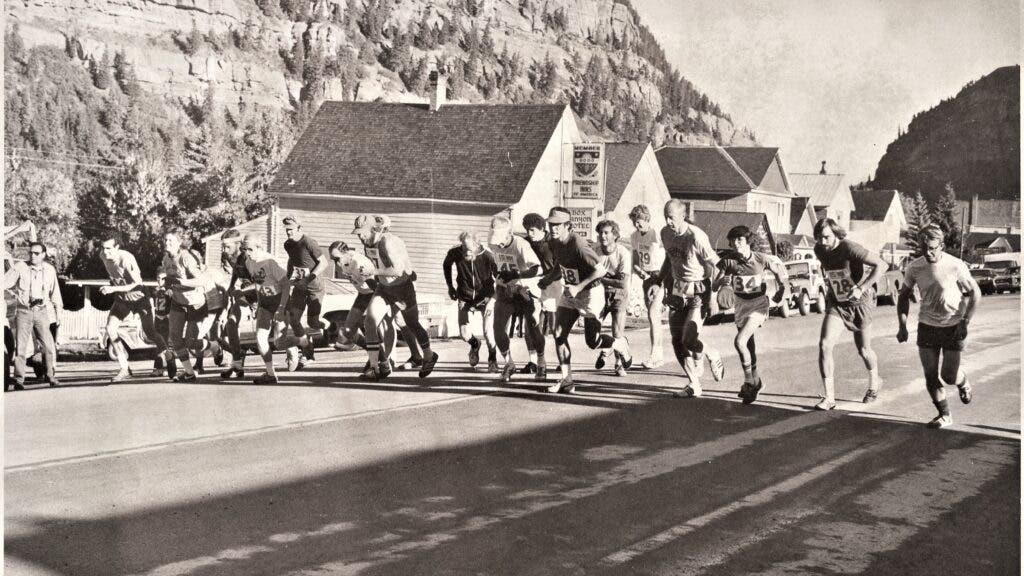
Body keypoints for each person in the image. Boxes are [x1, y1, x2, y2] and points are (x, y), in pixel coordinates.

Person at [897, 225, 981, 428]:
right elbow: (903, 297)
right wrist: (902, 326)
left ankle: (962, 381)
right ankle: (945, 415)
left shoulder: (955, 265)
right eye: (924, 248)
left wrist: (965, 322)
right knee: (930, 375)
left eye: (932, 248)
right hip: (927, 325)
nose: (928, 253)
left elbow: (975, 293)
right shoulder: (914, 267)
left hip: (953, 325)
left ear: (941, 246)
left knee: (948, 376)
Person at [541, 207, 630, 394]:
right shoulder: (554, 241)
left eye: (558, 225)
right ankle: (566, 380)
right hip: (571, 294)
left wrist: (578, 287)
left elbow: (600, 271)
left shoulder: (578, 244)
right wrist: (549, 278)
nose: (553, 228)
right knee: (559, 334)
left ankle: (619, 344)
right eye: (551, 224)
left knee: (593, 342)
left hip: (590, 294)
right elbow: (560, 264)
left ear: (568, 226)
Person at [651, 199, 725, 398]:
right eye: (665, 217)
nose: (668, 222)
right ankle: (694, 384)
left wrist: (714, 296)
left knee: (689, 338)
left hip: (699, 289)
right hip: (678, 290)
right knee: (677, 340)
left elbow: (718, 266)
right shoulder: (665, 233)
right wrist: (658, 280)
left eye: (671, 217)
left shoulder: (696, 236)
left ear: (683, 216)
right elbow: (669, 258)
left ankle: (711, 353)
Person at [812, 218, 887, 410]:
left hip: (859, 303)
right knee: (825, 345)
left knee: (864, 350)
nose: (822, 242)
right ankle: (829, 398)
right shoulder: (819, 250)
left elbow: (882, 265)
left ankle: (874, 383)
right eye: (819, 237)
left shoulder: (850, 248)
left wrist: (861, 288)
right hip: (838, 304)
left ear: (836, 234)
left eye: (826, 237)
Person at [354, 214, 439, 380]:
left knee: (411, 323)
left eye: (363, 232)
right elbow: (376, 268)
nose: (360, 237)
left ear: (373, 229)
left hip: (402, 289)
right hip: (384, 289)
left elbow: (398, 270)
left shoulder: (387, 242)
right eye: (358, 233)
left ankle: (429, 355)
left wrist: (373, 271)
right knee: (370, 321)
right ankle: (376, 367)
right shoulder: (367, 244)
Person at [714, 226, 788, 404]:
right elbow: (714, 286)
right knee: (748, 346)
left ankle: (748, 382)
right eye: (732, 241)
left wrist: (782, 289)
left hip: (758, 304)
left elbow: (779, 272)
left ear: (748, 241)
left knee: (739, 341)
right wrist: (721, 281)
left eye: (740, 240)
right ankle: (756, 381)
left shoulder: (761, 258)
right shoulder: (727, 261)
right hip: (740, 305)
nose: (736, 244)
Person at [98, 236, 170, 382]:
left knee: (150, 332)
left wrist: (113, 289)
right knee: (110, 329)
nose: (105, 252)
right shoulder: (102, 256)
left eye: (109, 248)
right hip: (122, 299)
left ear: (117, 248)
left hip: (139, 297)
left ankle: (168, 356)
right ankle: (125, 368)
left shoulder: (126, 259)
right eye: (103, 248)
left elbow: (137, 283)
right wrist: (114, 288)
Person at [489, 216, 546, 383]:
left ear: (510, 233)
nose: (499, 245)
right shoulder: (493, 243)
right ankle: (509, 363)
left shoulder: (521, 244)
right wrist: (499, 278)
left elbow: (538, 269)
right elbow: (495, 265)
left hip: (525, 289)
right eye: (496, 241)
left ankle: (541, 361)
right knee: (497, 328)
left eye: (501, 241)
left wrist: (518, 275)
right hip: (506, 290)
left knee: (533, 329)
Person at [328, 240, 398, 372]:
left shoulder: (357, 262)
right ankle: (376, 354)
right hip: (362, 295)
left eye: (337, 259)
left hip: (374, 293)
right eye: (333, 259)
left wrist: (385, 302)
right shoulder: (344, 261)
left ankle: (383, 361)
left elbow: (374, 284)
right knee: (347, 331)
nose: (336, 263)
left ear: (346, 252)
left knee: (376, 327)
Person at [5, 241, 62, 388]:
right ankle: (19, 380)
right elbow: (3, 283)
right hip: (24, 311)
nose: (32, 256)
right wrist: (14, 294)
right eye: (30, 253)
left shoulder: (49, 270)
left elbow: (55, 294)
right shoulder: (20, 267)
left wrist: (59, 314)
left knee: (48, 346)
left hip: (41, 312)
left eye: (36, 253)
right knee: (21, 348)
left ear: (43, 254)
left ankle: (50, 376)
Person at [276, 216, 328, 371]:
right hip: (300, 287)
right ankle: (307, 352)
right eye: (286, 230)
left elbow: (324, 263)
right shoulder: (288, 244)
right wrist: (288, 278)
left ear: (299, 228)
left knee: (313, 323)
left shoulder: (308, 242)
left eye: (291, 229)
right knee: (294, 319)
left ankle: (330, 326)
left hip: (315, 287)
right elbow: (292, 260)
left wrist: (308, 279)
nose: (288, 232)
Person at [443, 232, 499, 372]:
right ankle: (475, 344)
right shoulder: (455, 252)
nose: (466, 251)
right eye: (463, 247)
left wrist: (493, 299)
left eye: (469, 248)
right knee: (464, 334)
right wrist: (450, 286)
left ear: (477, 245)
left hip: (485, 298)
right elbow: (446, 265)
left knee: (488, 333)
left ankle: (492, 359)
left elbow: (500, 277)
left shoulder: (488, 256)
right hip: (465, 297)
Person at [239, 234, 291, 384]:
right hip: (265, 304)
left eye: (250, 249)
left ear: (259, 247)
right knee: (261, 338)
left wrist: (281, 308)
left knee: (279, 343)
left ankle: (300, 343)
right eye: (244, 249)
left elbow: (286, 285)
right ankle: (271, 374)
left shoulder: (269, 261)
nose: (247, 253)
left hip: (280, 302)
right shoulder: (249, 263)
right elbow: (259, 284)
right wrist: (258, 304)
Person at [161, 230, 210, 382]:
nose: (167, 243)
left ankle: (215, 347)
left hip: (195, 303)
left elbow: (202, 281)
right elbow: (169, 278)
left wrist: (181, 282)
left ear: (178, 242)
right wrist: (165, 284)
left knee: (191, 342)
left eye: (170, 240)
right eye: (165, 240)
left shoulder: (186, 257)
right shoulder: (166, 258)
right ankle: (189, 372)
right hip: (178, 302)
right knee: (175, 337)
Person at [595, 219, 634, 377]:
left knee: (617, 332)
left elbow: (622, 283)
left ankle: (619, 364)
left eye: (606, 233)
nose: (602, 236)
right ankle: (607, 349)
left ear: (615, 235)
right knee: (594, 333)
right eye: (600, 233)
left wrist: (600, 278)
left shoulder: (623, 253)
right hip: (599, 294)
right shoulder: (594, 250)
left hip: (619, 294)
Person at [629, 205, 666, 369]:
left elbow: (669, 254)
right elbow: (635, 260)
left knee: (653, 314)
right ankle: (659, 355)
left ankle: (655, 355)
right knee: (654, 318)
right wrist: (638, 270)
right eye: (634, 222)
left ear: (647, 219)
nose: (637, 225)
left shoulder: (656, 234)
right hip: (646, 278)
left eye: (639, 222)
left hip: (659, 276)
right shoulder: (634, 236)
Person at [522, 213, 559, 374]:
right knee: (530, 324)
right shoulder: (525, 242)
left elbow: (561, 267)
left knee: (555, 327)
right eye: (527, 230)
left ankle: (562, 359)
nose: (529, 234)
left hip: (554, 284)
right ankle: (534, 361)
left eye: (532, 230)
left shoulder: (554, 242)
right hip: (533, 284)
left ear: (542, 229)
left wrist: (549, 279)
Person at [217, 229, 252, 379]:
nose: (224, 250)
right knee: (231, 324)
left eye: (227, 247)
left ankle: (296, 348)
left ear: (238, 244)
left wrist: (243, 291)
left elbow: (262, 280)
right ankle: (237, 363)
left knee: (275, 338)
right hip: (245, 295)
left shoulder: (248, 257)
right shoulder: (230, 257)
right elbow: (236, 272)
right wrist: (232, 286)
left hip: (262, 294)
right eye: (223, 247)